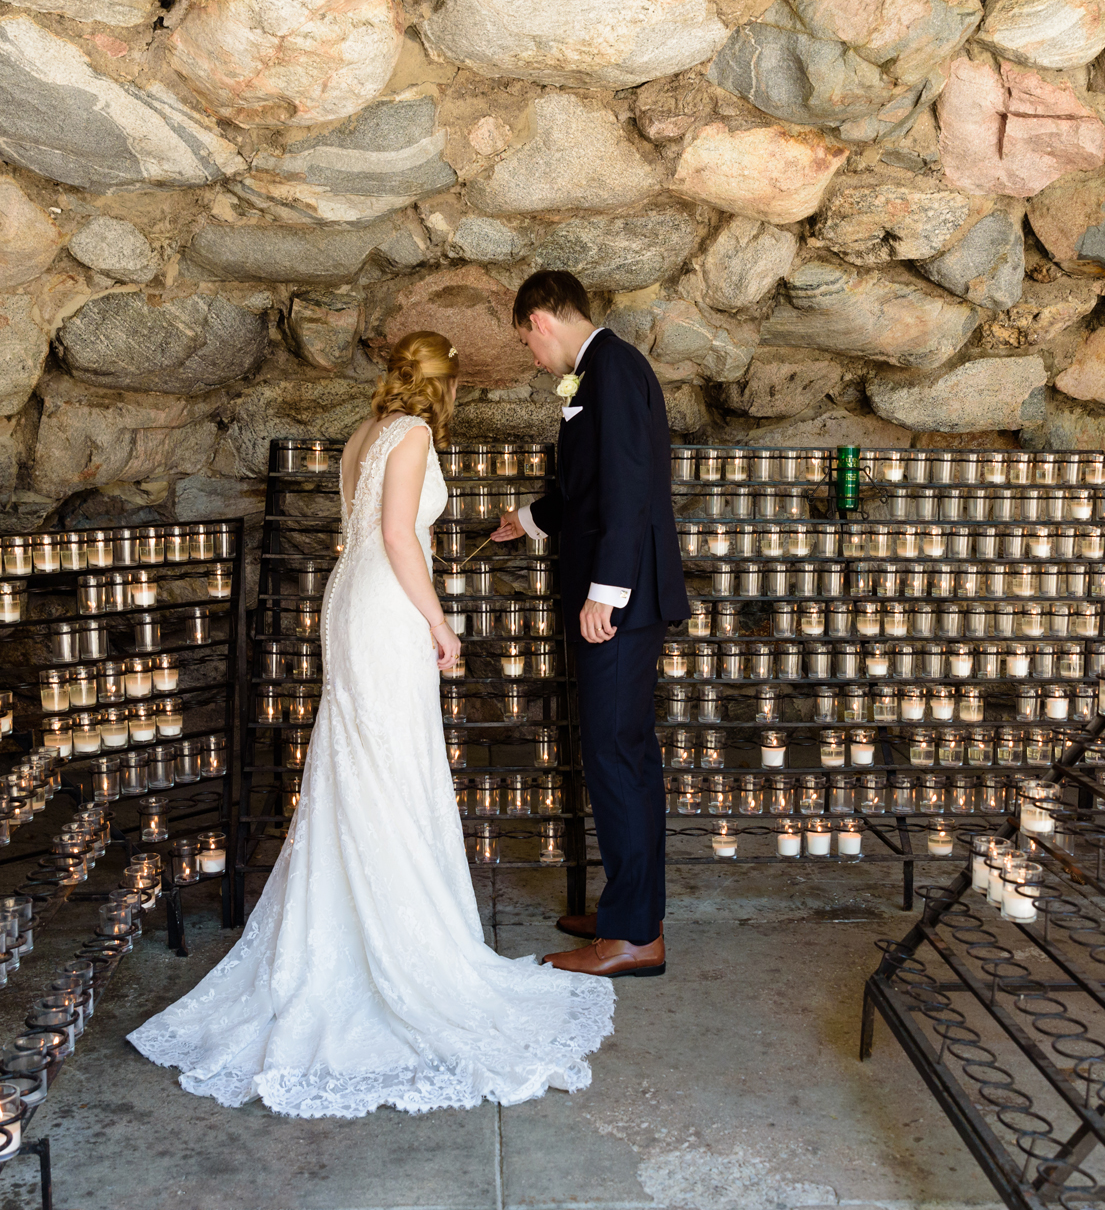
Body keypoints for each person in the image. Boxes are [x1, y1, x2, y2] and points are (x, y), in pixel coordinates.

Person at [127, 332, 614, 1117]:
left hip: (348, 599)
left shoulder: (362, 433)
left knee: (360, 761)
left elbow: (365, 535)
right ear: (444, 389)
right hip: (385, 603)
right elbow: (396, 537)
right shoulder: (415, 434)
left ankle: (345, 929)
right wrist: (441, 622)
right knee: (389, 765)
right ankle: (396, 947)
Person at [494, 271, 688, 979]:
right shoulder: (597, 373)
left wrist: (605, 593)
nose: (533, 359)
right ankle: (632, 906)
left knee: (614, 757)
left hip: (621, 602)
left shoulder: (609, 368)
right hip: (621, 596)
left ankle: (633, 936)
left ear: (541, 319)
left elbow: (631, 485)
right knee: (628, 756)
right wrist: (529, 519)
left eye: (526, 342)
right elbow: (591, 486)